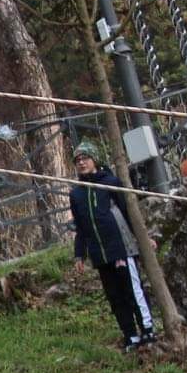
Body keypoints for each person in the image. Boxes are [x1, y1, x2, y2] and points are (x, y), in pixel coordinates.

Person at [67, 140, 157, 350]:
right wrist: (80, 255)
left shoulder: (111, 183)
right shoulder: (76, 194)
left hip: (121, 248)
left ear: (95, 160)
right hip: (100, 254)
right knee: (115, 297)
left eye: (85, 158)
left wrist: (144, 237)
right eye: (77, 160)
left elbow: (128, 212)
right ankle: (130, 335)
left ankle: (147, 329)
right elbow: (80, 226)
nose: (81, 163)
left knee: (132, 290)